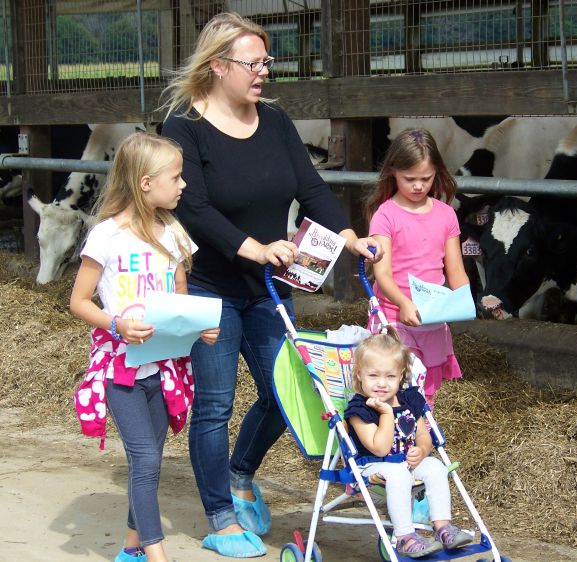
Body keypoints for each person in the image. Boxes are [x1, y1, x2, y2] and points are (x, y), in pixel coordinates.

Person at [158, 11, 381, 558]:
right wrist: (252, 247)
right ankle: (220, 516)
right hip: (211, 286)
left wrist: (350, 235)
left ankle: (239, 476)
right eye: (253, 63)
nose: (263, 72)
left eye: (266, 62)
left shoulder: (275, 121)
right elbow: (195, 207)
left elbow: (310, 187)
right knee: (215, 404)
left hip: (268, 288)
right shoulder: (183, 126)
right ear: (217, 66)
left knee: (289, 392)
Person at [69, 132, 220, 562]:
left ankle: (130, 549)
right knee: (146, 460)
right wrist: (116, 325)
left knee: (148, 460)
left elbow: (180, 303)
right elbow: (78, 301)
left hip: (164, 365)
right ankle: (158, 555)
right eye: (176, 176)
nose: (184, 184)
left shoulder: (173, 235)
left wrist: (199, 330)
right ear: (145, 182)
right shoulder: (106, 237)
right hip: (121, 367)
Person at [365, 127, 470, 411]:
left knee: (428, 389)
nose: (418, 186)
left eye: (426, 178)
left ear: (437, 172)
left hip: (432, 316)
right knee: (393, 386)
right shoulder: (385, 215)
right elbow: (382, 274)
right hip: (395, 316)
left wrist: (464, 301)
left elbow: (455, 270)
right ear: (393, 173)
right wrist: (404, 303)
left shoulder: (446, 214)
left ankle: (420, 445)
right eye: (409, 179)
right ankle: (390, 444)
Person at [344, 330, 473, 558]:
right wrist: (385, 414)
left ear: (401, 375)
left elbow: (423, 435)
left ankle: (443, 527)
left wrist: (422, 450)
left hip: (406, 462)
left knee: (435, 466)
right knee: (398, 474)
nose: (382, 384)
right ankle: (404, 538)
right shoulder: (359, 410)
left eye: (390, 377)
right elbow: (379, 448)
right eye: (374, 376)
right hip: (374, 466)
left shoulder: (409, 400)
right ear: (360, 374)